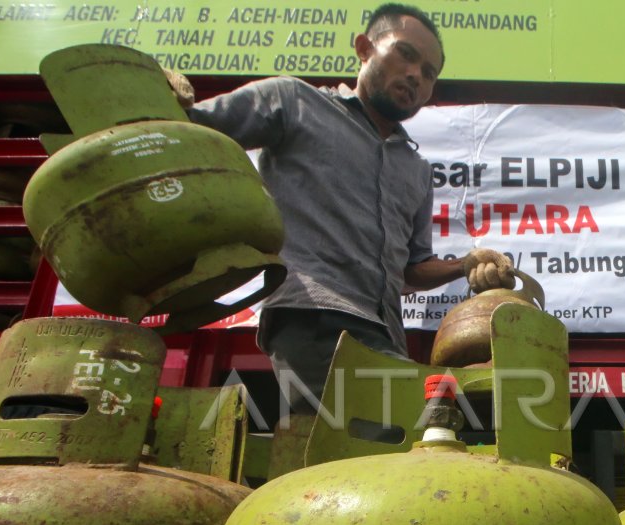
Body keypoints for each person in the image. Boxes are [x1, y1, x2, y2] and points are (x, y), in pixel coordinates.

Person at [171, 3, 514, 413]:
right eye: (406, 54)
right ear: (364, 48)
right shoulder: (294, 102)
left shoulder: (415, 169)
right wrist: (163, 96)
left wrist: (466, 263)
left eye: (429, 73)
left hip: (385, 335)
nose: (415, 76)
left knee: (410, 448)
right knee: (363, 455)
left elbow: (411, 269)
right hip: (313, 316)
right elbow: (190, 129)